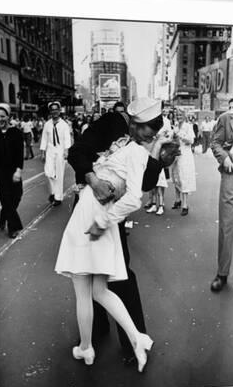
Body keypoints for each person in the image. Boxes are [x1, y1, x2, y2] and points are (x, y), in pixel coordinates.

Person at [56, 100, 178, 371]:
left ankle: (128, 342)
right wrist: (93, 179)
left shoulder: (145, 144)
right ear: (131, 120)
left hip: (108, 213)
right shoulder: (110, 123)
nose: (150, 133)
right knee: (94, 284)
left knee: (110, 279)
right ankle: (98, 335)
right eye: (147, 128)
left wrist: (156, 158)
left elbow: (142, 187)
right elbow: (77, 152)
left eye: (155, 128)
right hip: (93, 202)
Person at [210, 98, 233, 292]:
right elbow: (215, 142)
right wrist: (224, 158)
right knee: (227, 226)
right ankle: (222, 273)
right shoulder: (227, 118)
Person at [0, 103, 24, 239]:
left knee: (17, 195)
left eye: (2, 116)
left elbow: (19, 153)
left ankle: (4, 214)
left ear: (9, 117)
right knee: (5, 197)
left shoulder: (16, 133)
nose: (0, 119)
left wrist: (18, 171)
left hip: (13, 169)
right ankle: (13, 227)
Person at [40, 102, 71, 206]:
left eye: (56, 109)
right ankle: (53, 192)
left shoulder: (64, 125)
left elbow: (67, 139)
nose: (54, 111)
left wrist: (66, 151)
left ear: (59, 111)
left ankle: (58, 197)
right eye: (52, 110)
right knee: (48, 172)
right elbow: (44, 139)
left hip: (60, 151)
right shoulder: (47, 124)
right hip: (50, 150)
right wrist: (42, 152)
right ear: (50, 112)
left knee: (59, 174)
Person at [145, 113, 173, 216]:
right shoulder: (149, 121)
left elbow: (169, 137)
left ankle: (160, 204)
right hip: (150, 151)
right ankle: (153, 203)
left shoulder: (166, 122)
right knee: (152, 180)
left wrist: (162, 138)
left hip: (161, 154)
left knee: (160, 181)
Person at [171, 111, 196, 216]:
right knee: (176, 177)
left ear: (184, 116)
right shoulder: (176, 125)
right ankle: (177, 200)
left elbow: (191, 141)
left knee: (184, 178)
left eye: (181, 115)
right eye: (177, 115)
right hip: (176, 155)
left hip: (185, 155)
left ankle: (185, 205)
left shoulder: (188, 126)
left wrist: (180, 135)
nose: (179, 117)